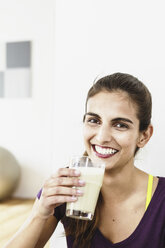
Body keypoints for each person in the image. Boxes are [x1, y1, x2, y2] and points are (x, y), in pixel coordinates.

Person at [4, 72, 165, 248]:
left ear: (144, 136)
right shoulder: (65, 187)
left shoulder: (161, 200)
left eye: (120, 125)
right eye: (94, 120)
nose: (102, 137)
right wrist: (39, 213)